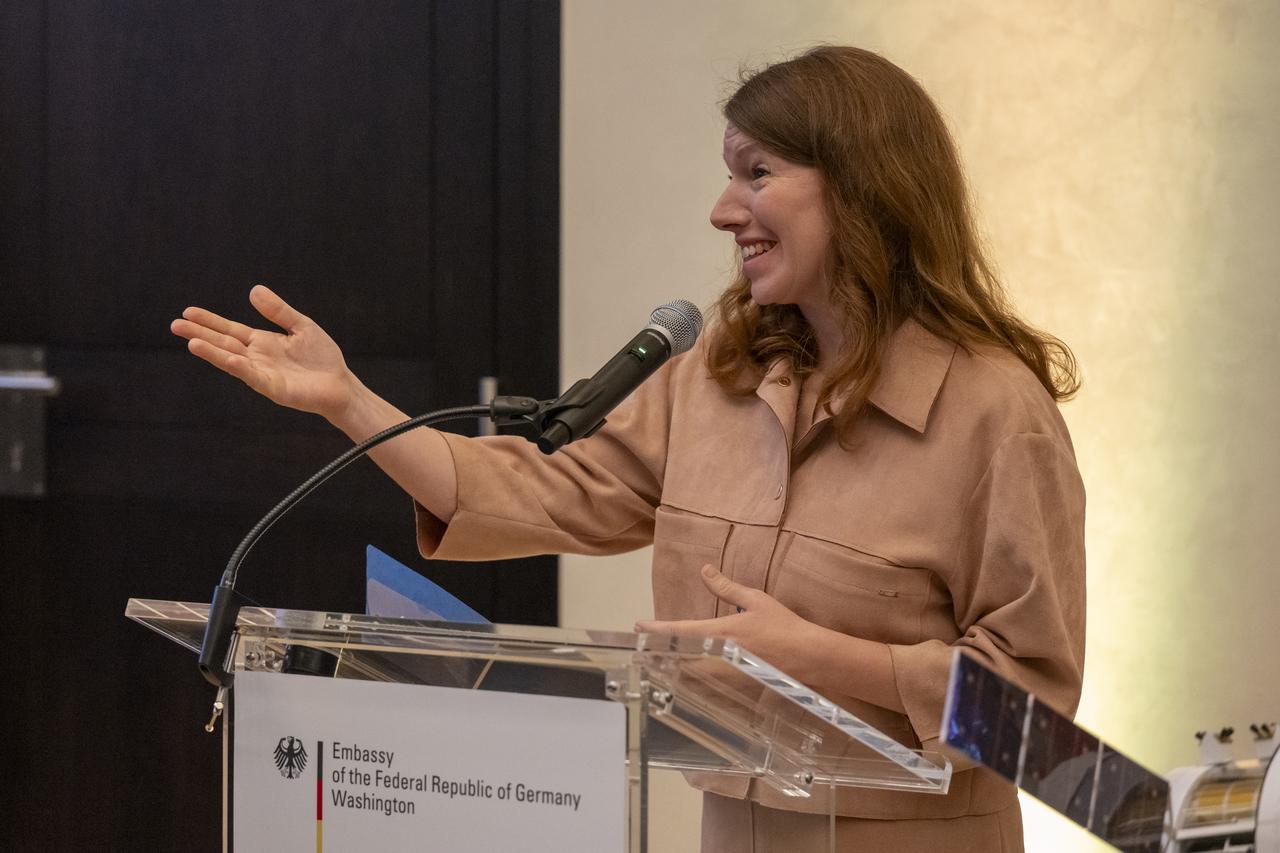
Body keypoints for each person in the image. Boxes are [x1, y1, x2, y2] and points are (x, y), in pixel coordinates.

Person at [172, 45, 1084, 853]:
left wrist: (815, 654)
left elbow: (1035, 724)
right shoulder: (715, 381)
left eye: (758, 173)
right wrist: (350, 402)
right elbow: (533, 490)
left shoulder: (996, 414)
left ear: (862, 185)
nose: (723, 210)